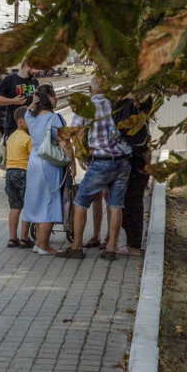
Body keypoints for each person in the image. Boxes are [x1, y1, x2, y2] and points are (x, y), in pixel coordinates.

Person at [58, 76, 131, 261]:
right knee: (115, 204)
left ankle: (76, 248)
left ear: (90, 91)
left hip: (101, 161)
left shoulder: (86, 106)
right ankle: (111, 248)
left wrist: (73, 154)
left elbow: (69, 134)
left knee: (80, 202)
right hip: (122, 160)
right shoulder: (116, 104)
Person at [23, 88, 69, 255]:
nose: (56, 98)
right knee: (49, 203)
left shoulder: (30, 117)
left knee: (38, 201)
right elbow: (64, 144)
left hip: (34, 163)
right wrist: (73, 161)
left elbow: (28, 111)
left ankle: (38, 244)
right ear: (49, 98)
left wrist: (31, 105)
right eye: (54, 96)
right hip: (49, 164)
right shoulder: (55, 118)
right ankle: (44, 245)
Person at [116, 94, 153, 256]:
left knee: (131, 204)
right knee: (132, 203)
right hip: (139, 166)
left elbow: (140, 146)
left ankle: (134, 246)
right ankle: (133, 243)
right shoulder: (142, 120)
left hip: (135, 166)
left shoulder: (136, 123)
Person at [4, 107, 32, 248]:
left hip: (9, 173)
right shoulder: (27, 139)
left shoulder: (11, 137)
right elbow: (33, 158)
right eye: (29, 120)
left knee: (14, 207)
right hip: (23, 173)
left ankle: (12, 238)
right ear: (21, 122)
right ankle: (24, 238)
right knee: (28, 205)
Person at [0, 60, 40, 140]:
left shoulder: (35, 82)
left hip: (31, 126)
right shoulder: (9, 80)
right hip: (13, 127)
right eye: (35, 69)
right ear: (27, 66)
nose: (37, 71)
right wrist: (13, 101)